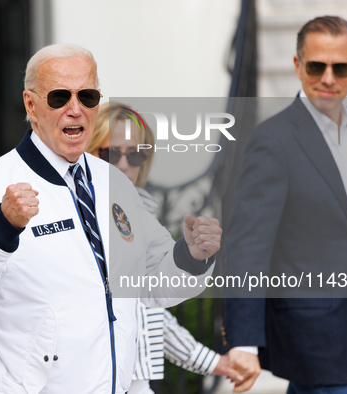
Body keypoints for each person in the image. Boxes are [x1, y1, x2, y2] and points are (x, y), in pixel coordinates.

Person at [0, 44, 222, 394]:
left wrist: (191, 257)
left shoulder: (114, 184)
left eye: (88, 96)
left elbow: (152, 285)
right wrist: (1, 228)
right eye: (59, 97)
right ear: (31, 105)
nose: (75, 110)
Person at [222, 16, 347, 393]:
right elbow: (247, 248)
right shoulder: (272, 141)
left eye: (339, 67)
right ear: (297, 66)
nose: (327, 78)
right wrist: (243, 341)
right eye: (315, 66)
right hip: (307, 332)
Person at [88, 102, 241, 394]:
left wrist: (208, 361)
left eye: (135, 153)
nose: (123, 164)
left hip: (135, 377)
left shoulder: (140, 210)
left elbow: (147, 306)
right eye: (109, 153)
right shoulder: (74, 213)